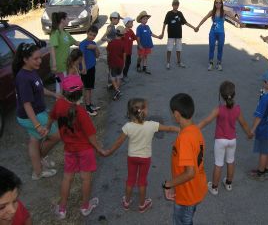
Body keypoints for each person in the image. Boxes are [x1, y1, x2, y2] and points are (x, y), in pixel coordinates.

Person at [104, 98, 179, 213]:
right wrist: (180, 129)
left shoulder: (128, 126)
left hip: (132, 157)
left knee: (130, 179)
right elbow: (168, 128)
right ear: (143, 111)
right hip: (145, 158)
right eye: (147, 107)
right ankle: (142, 204)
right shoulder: (151, 125)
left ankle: (126, 202)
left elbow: (119, 142)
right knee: (142, 181)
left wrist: (109, 151)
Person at [47, 75, 106, 220]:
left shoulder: (59, 104)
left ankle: (62, 209)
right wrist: (99, 149)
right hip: (85, 151)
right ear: (80, 93)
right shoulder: (81, 113)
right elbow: (91, 137)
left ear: (65, 92)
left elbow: (51, 117)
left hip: (69, 149)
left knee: (67, 178)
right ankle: (85, 206)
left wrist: (46, 128)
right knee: (86, 179)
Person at [12, 43, 60, 180]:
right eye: (35, 58)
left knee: (34, 140)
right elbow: (27, 105)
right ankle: (40, 161)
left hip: (33, 114)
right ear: (25, 59)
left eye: (40, 57)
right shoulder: (23, 78)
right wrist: (38, 125)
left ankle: (37, 171)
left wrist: (53, 94)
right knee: (57, 136)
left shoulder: (31, 70)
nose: (39, 60)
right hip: (32, 115)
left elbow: (39, 88)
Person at [197, 81, 252, 195]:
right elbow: (244, 124)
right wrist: (249, 133)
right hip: (232, 140)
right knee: (230, 161)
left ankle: (214, 187)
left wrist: (194, 129)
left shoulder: (219, 109)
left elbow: (206, 121)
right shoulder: (237, 109)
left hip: (220, 140)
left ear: (221, 95)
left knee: (218, 163)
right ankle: (228, 183)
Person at [163, 93, 207, 224]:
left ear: (176, 114)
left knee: (182, 221)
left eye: (172, 113)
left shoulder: (185, 138)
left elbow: (190, 173)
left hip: (187, 195)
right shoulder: (194, 129)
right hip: (194, 189)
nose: (172, 115)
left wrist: (168, 184)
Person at [196, 0, 244, 71]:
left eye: (219, 3)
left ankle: (219, 63)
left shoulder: (225, 12)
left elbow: (233, 17)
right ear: (214, 4)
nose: (218, 4)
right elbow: (204, 19)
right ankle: (211, 63)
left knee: (220, 48)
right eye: (216, 3)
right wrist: (198, 26)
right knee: (211, 47)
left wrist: (240, 23)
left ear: (222, 4)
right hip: (213, 32)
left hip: (221, 33)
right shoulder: (212, 12)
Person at [161, 0, 197, 70]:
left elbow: (185, 22)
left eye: (177, 5)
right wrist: (162, 33)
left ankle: (179, 61)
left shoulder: (180, 13)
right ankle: (168, 63)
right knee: (169, 49)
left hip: (178, 35)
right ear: (172, 5)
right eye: (174, 5)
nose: (176, 6)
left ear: (178, 5)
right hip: (171, 35)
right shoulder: (169, 13)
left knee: (179, 49)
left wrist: (194, 27)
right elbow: (165, 23)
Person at [49, 12, 81, 92]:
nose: (69, 20)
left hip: (65, 63)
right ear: (62, 20)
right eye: (67, 18)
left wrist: (88, 42)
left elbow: (76, 42)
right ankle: (59, 102)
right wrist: (54, 63)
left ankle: (61, 101)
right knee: (61, 85)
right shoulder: (55, 33)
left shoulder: (65, 32)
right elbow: (52, 47)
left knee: (61, 84)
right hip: (58, 65)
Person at [79, 26, 101, 116]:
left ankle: (90, 104)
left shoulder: (93, 43)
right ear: (87, 33)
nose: (92, 37)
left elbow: (97, 55)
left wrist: (95, 47)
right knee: (87, 88)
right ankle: (87, 107)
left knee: (90, 87)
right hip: (86, 69)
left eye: (94, 35)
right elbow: (81, 56)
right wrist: (83, 67)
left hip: (92, 68)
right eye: (90, 34)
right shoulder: (83, 44)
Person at [106, 26, 126, 101]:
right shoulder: (123, 43)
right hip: (120, 63)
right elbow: (124, 55)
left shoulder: (111, 43)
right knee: (119, 77)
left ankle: (117, 90)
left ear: (115, 34)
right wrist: (124, 63)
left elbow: (108, 53)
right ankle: (117, 91)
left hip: (112, 63)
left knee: (113, 77)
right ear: (123, 35)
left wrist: (108, 61)